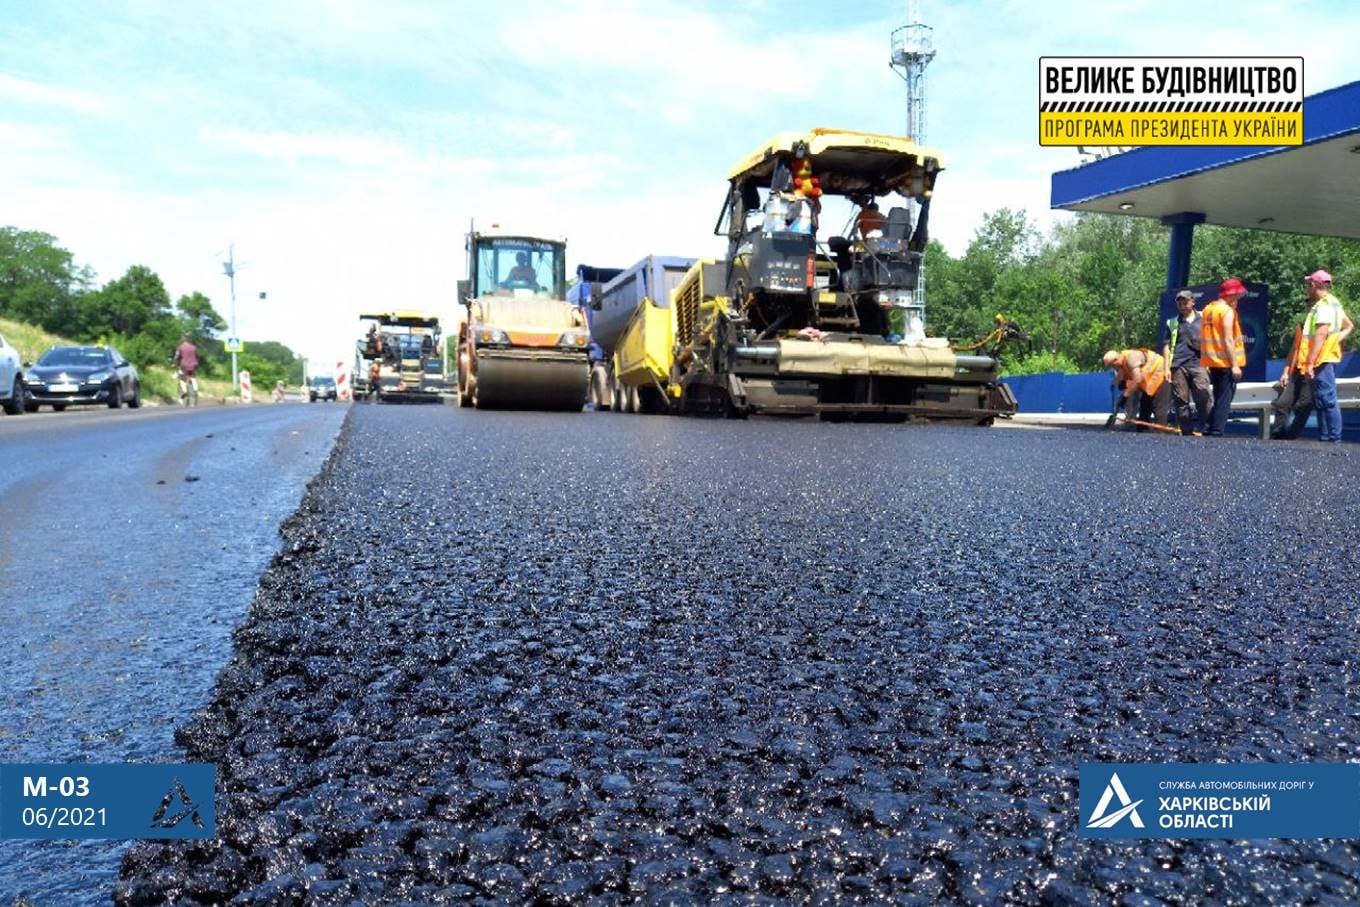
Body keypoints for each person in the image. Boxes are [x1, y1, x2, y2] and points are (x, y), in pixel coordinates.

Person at [1299, 269, 1354, 443]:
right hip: (1325, 356)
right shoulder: (1334, 303)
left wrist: (1310, 362)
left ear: (1315, 285)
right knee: (1322, 400)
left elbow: (1321, 334)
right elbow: (1349, 326)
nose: (1306, 288)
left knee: (1327, 400)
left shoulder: (1324, 305)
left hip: (1321, 359)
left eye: (1308, 284)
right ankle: (1327, 438)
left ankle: (1332, 439)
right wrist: (1335, 340)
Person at [1200, 278, 1248, 436]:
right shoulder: (1227, 311)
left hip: (1213, 361)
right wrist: (1234, 365)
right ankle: (1216, 430)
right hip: (1226, 362)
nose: (1239, 299)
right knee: (1224, 399)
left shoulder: (1208, 309)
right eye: (1238, 295)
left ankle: (1208, 427)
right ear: (1231, 295)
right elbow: (1228, 339)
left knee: (1219, 396)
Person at [1161, 289, 1212, 435]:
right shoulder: (1172, 323)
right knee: (1181, 399)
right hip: (1178, 365)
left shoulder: (1204, 318)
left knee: (1203, 394)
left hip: (1199, 363)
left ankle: (1208, 428)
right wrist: (1166, 369)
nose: (1183, 305)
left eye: (1185, 301)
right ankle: (1187, 431)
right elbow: (1166, 346)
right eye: (1180, 303)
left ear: (1192, 302)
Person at [1102, 347, 1170, 429]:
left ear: (1116, 359)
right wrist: (1118, 383)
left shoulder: (1131, 358)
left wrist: (1125, 396)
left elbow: (1137, 380)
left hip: (1161, 376)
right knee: (1144, 408)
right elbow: (1120, 376)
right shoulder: (1122, 362)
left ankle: (1161, 434)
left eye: (1112, 365)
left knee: (1159, 410)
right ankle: (1143, 432)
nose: (1112, 367)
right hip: (1149, 383)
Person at [1269, 323, 1313, 439]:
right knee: (1282, 403)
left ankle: (1292, 435)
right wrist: (1285, 371)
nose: (1309, 308)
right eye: (1307, 306)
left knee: (1304, 405)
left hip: (1311, 372)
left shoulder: (1324, 326)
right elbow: (1294, 350)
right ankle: (1277, 435)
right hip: (1296, 371)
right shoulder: (1302, 326)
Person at [172, 334, 199, 406]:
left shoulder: (180, 347)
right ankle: (195, 390)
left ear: (182, 340)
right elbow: (197, 357)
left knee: (182, 379)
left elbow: (176, 357)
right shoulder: (194, 347)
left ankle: (184, 391)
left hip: (184, 366)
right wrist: (196, 365)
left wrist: (174, 364)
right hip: (194, 366)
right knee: (193, 377)